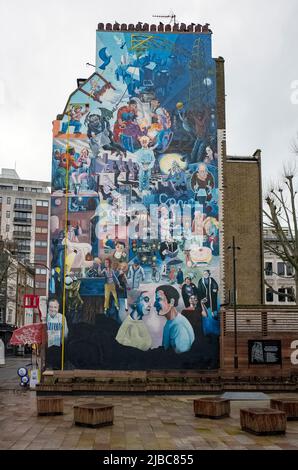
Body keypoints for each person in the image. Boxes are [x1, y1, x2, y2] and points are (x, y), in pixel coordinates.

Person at [154, 285, 194, 354]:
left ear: (172, 302)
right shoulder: (171, 321)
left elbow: (181, 357)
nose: (155, 304)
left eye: (159, 299)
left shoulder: (178, 326)